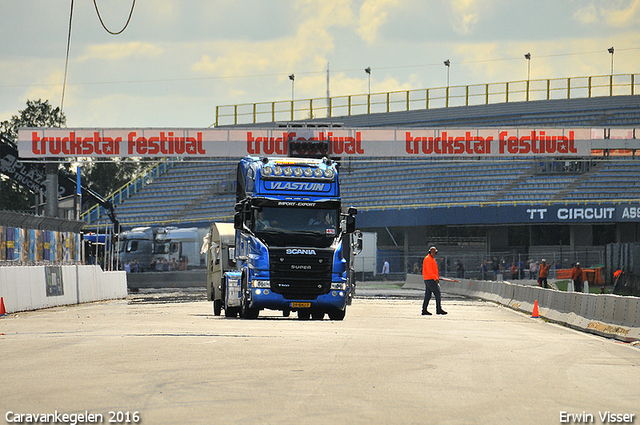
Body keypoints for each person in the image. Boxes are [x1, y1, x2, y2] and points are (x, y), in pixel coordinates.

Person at [422, 246, 447, 316]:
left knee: (428, 295)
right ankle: (438, 309)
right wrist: (435, 278)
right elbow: (430, 270)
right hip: (430, 279)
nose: (434, 253)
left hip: (428, 279)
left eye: (435, 252)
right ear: (430, 252)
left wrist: (436, 277)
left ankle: (424, 310)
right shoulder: (428, 259)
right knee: (437, 293)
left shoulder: (431, 259)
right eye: (432, 252)